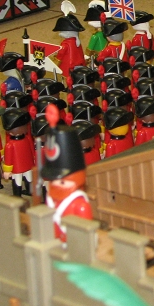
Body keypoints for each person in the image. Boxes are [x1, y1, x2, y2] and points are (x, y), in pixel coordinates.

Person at [42, 104, 92, 244]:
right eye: (54, 180)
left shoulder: (80, 205)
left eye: (63, 181)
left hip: (75, 245)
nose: (57, 184)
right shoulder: (51, 199)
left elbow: (85, 232)